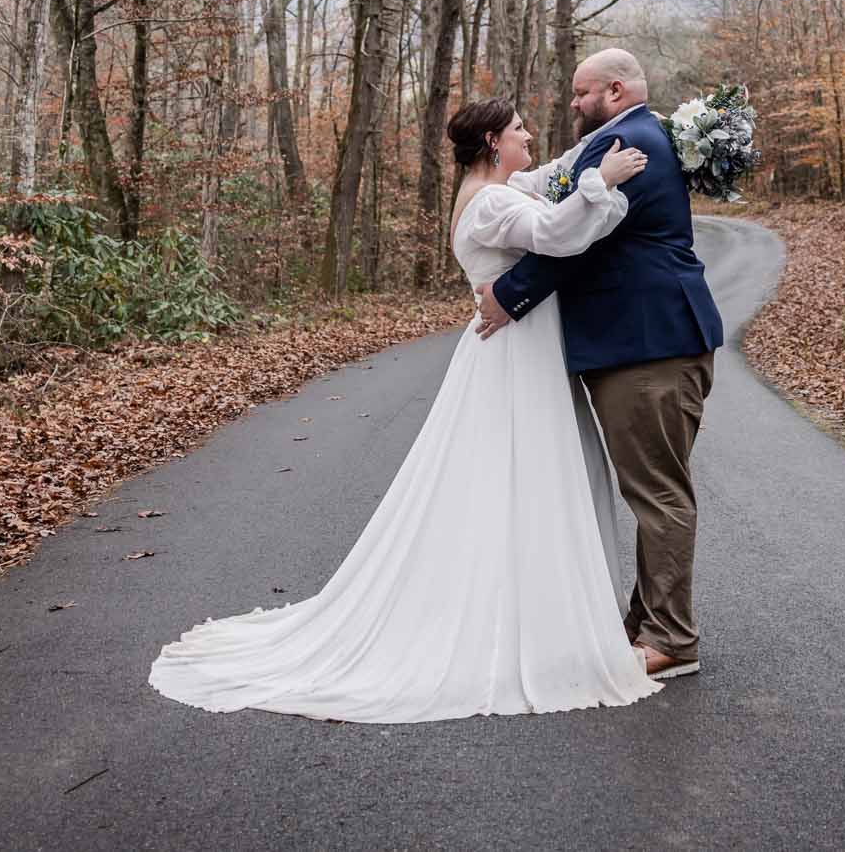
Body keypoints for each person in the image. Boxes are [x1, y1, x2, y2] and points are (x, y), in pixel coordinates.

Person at [146, 96, 661, 721]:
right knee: (524, 474)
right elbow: (556, 235)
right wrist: (601, 184)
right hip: (515, 353)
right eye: (520, 130)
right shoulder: (492, 202)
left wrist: (618, 142)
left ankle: (538, 604)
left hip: (521, 345)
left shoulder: (494, 186)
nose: (531, 137)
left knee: (527, 476)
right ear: (494, 142)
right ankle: (525, 622)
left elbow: (546, 174)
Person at [476, 47, 723, 680]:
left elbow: (576, 244)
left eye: (581, 93)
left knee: (658, 492)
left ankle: (671, 639)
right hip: (646, 342)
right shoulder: (630, 137)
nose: (573, 104)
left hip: (647, 345)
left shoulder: (630, 146)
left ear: (614, 91)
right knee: (653, 488)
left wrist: (509, 296)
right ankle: (646, 626)